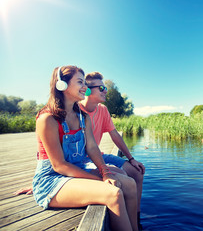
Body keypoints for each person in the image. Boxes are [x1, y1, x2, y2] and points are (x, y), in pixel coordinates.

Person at [15, 70, 145, 229]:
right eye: (80, 82)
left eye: (85, 82)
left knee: (130, 183)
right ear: (61, 85)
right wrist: (101, 179)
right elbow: (59, 166)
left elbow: (92, 147)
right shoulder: (47, 118)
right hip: (52, 178)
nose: (85, 87)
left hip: (77, 168)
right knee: (114, 193)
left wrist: (105, 172)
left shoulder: (84, 117)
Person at [80, 72, 145, 229]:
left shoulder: (102, 110)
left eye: (106, 88)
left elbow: (114, 135)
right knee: (121, 176)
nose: (105, 91)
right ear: (87, 90)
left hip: (99, 155)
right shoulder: (76, 110)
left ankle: (136, 216)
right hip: (83, 160)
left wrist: (131, 158)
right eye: (101, 88)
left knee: (137, 171)